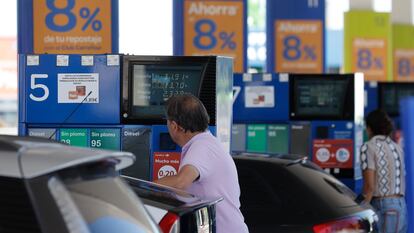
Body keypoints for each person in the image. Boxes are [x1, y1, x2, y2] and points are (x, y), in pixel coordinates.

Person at [155, 94, 249, 233]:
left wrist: (139, 190)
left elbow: (181, 182)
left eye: (167, 121)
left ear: (174, 126)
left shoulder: (202, 147)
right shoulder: (205, 143)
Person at [360, 109, 407, 233]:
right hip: (401, 207)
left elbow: (369, 187)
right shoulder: (397, 148)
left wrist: (359, 209)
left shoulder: (368, 147)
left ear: (370, 128)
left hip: (383, 207)